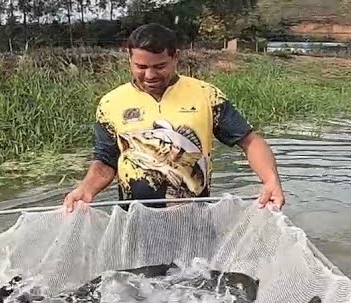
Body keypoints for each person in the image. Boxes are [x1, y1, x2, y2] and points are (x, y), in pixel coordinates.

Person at [62, 23, 285, 213]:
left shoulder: (207, 95)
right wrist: (86, 189)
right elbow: (105, 161)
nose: (149, 75)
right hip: (135, 222)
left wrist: (271, 180)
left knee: (198, 267)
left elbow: (250, 141)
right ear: (128, 58)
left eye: (160, 66)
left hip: (195, 217)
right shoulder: (110, 103)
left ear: (175, 57)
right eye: (141, 66)